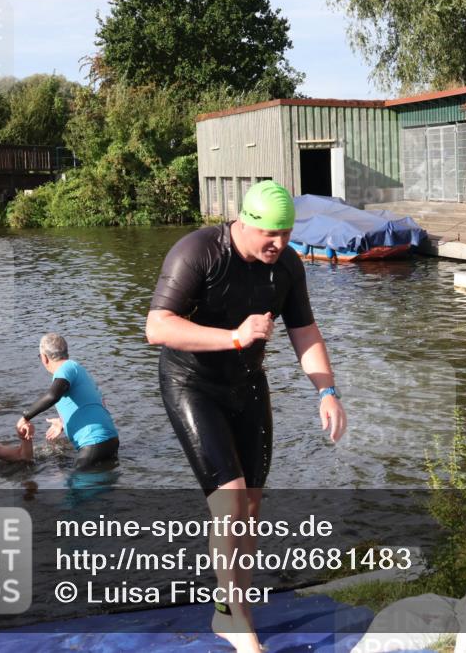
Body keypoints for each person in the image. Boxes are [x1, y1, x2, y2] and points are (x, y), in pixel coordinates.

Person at [145, 180, 347, 653]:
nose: (280, 244)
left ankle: (227, 612)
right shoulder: (198, 252)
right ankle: (241, 624)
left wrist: (328, 391)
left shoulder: (289, 266)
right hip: (192, 384)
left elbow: (305, 331)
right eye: (270, 234)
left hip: (247, 385)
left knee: (250, 509)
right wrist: (234, 337)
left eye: (287, 233)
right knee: (230, 503)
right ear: (245, 223)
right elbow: (157, 327)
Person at [16, 333, 119, 470]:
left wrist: (25, 416)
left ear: (44, 358)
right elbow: (94, 405)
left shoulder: (65, 369)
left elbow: (52, 396)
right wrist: (62, 422)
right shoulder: (78, 369)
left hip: (93, 443)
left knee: (77, 489)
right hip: (110, 440)